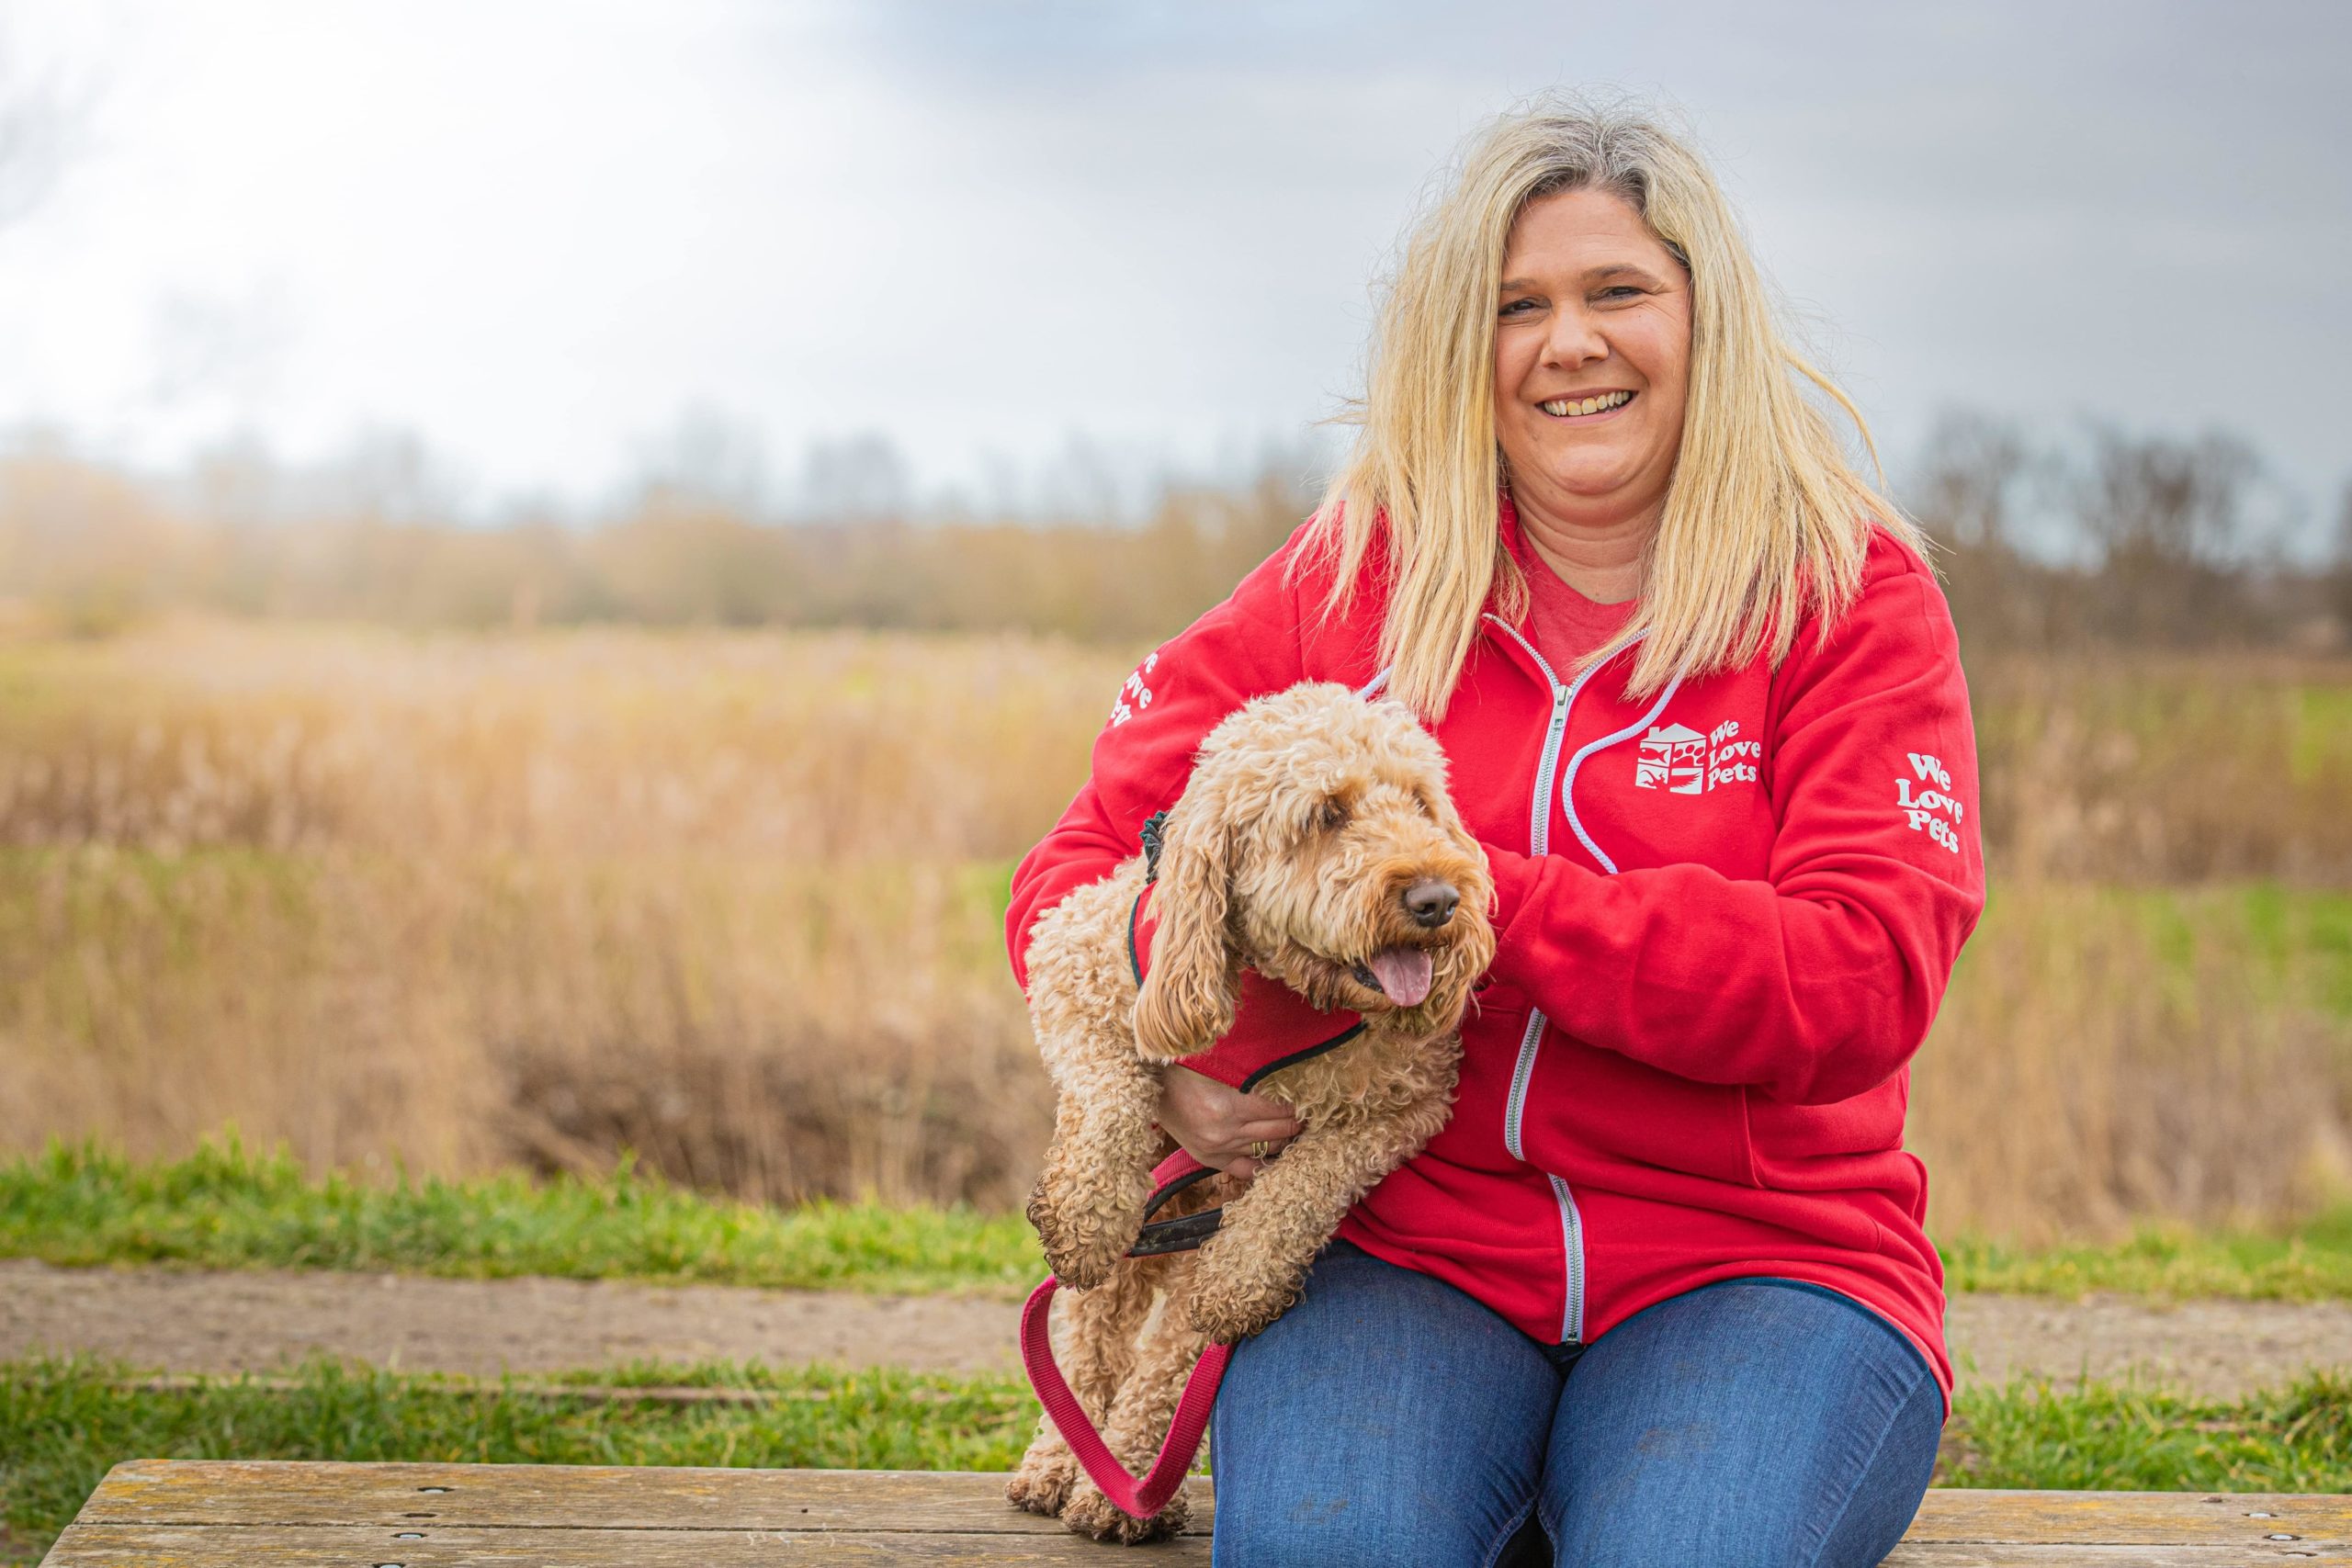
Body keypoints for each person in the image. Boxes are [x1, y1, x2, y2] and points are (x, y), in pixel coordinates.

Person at [1005, 93, 1984, 1568]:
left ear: (1703, 318)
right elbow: (1082, 866)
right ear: (1465, 347)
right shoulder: (1352, 576)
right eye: (1517, 306)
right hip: (1400, 1250)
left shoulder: (1846, 597)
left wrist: (1461, 902)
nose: (1568, 343)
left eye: (1618, 293)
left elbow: (1858, 979)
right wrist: (1176, 1061)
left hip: (1764, 1267)